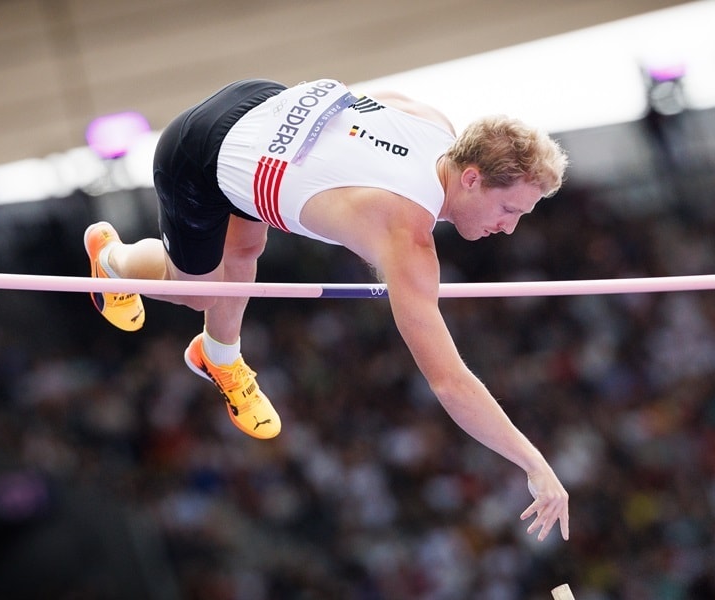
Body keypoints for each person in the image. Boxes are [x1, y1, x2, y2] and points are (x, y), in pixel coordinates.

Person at [83, 78, 571, 542]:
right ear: (471, 178)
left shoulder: (434, 124)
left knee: (244, 250)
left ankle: (219, 356)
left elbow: (360, 109)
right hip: (198, 155)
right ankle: (110, 259)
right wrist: (534, 464)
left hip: (260, 103)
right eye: (509, 210)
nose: (509, 228)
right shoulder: (405, 237)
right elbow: (449, 382)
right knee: (199, 292)